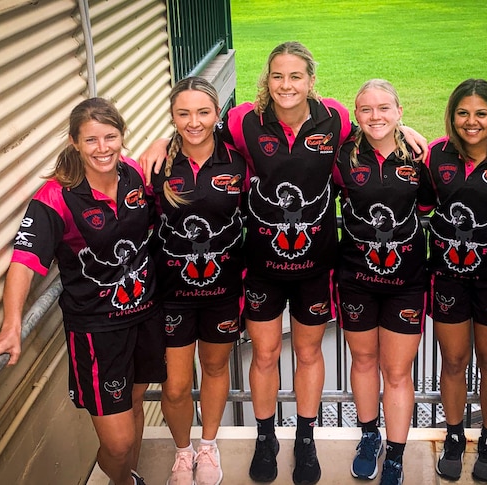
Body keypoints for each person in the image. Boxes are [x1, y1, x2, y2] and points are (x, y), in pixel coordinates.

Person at [139, 41, 427, 485]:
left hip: (316, 267)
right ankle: (266, 436)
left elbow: (373, 135)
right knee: (267, 354)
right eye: (278, 76)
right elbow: (202, 133)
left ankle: (306, 439)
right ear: (266, 81)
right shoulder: (243, 121)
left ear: (311, 80)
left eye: (296, 76)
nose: (286, 85)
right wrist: (165, 139)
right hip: (261, 267)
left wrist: (404, 130)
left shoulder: (334, 117)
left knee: (309, 353)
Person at [0, 97, 165, 485]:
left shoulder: (133, 174)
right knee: (116, 442)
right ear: (74, 142)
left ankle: (126, 480)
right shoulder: (56, 196)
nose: (103, 148)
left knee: (133, 406)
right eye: (91, 140)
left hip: (144, 316)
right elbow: (25, 261)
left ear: (122, 137)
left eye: (110, 137)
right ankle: (122, 478)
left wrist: (162, 141)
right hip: (97, 331)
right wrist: (12, 324)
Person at [332, 79, 433, 485]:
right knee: (364, 361)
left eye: (384, 108)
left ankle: (396, 452)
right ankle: (369, 436)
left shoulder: (419, 155)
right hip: (355, 277)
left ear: (399, 111)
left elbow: (428, 203)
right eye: (366, 109)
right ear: (356, 116)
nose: (375, 116)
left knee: (396, 371)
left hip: (407, 280)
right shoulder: (341, 157)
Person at [426, 79, 487, 482]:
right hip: (448, 277)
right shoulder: (434, 155)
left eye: (481, 113)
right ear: (452, 116)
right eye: (463, 113)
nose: (471, 122)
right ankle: (453, 436)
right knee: (453, 361)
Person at [151, 77, 246, 485]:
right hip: (172, 295)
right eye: (183, 113)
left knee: (214, 367)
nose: (194, 122)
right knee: (174, 386)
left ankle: (208, 446)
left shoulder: (239, 158)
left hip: (224, 291)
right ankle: (182, 451)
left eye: (203, 112)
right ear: (172, 117)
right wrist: (157, 143)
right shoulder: (157, 165)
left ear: (218, 113)